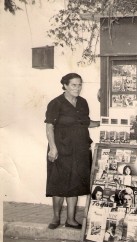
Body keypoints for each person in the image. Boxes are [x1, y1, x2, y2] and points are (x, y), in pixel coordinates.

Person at [45, 73, 100, 230]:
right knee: (59, 183)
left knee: (75, 183)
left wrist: (105, 123)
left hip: (81, 149)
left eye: (79, 85)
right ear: (65, 85)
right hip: (61, 149)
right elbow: (49, 127)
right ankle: (56, 218)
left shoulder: (82, 103)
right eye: (74, 85)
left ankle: (71, 219)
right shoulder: (56, 103)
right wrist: (53, 148)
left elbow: (85, 123)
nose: (77, 88)